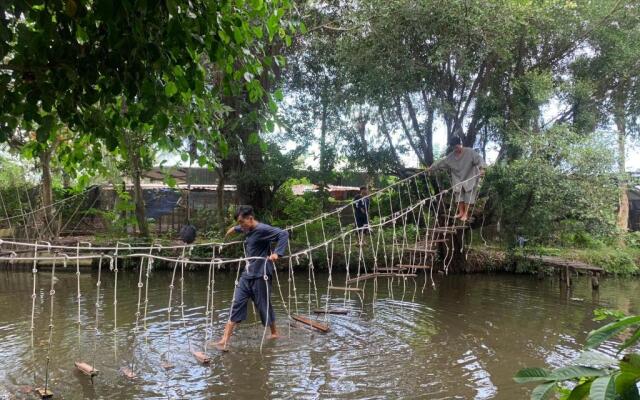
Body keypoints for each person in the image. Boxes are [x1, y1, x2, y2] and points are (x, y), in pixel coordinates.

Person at [214, 205, 289, 349]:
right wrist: (234, 229)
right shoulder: (246, 227)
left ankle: (274, 333)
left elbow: (283, 234)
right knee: (237, 303)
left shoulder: (262, 229)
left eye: (241, 222)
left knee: (263, 305)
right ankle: (224, 340)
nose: (241, 225)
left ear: (250, 218)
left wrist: (277, 254)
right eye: (239, 223)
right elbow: (242, 228)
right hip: (247, 275)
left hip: (261, 274)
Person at [429, 136, 485, 222]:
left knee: (468, 194)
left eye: (456, 147)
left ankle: (466, 214)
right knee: (458, 193)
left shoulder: (470, 152)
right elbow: (441, 162)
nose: (455, 149)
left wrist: (482, 169)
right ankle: (461, 212)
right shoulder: (450, 157)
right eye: (453, 148)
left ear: (460, 144)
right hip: (457, 177)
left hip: (470, 175)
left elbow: (479, 159)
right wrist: (431, 168)